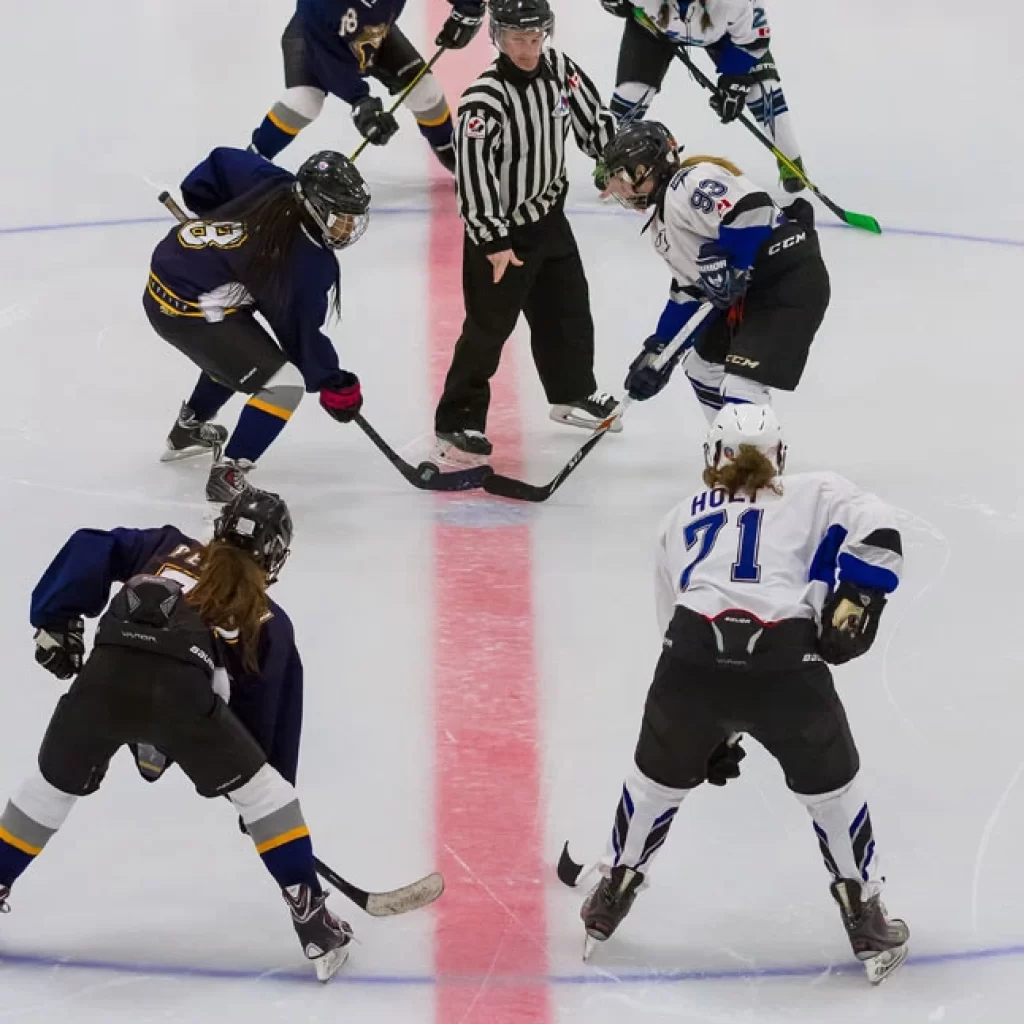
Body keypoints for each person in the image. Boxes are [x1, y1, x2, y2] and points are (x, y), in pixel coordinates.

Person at [578, 405, 909, 985]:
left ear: (712, 457)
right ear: (779, 455)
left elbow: (674, 627)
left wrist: (714, 728)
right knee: (833, 794)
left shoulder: (678, 516)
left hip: (690, 663)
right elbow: (881, 529)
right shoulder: (816, 491)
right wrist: (862, 594)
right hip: (786, 665)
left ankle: (614, 890)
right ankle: (865, 916)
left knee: (654, 785)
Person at [0, 492, 352, 982]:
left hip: (102, 680)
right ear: (275, 554)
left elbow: (91, 546)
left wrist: (55, 621)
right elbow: (266, 720)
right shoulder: (268, 619)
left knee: (47, 790)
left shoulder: (166, 545)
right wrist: (253, 801)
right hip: (183, 701)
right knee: (268, 796)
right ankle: (313, 921)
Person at [430, 0, 620, 470]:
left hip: (549, 217)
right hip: (502, 234)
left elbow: (592, 121)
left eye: (535, 37)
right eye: (517, 38)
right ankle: (458, 419)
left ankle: (571, 394)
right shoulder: (483, 101)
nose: (528, 48)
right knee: (488, 328)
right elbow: (473, 179)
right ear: (496, 37)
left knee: (568, 309)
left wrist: (613, 164)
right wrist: (494, 241)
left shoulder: (559, 68)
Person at [145, 147, 370, 501]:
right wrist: (332, 383)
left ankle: (189, 429)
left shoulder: (276, 183)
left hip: (175, 273)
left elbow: (220, 162)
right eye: (340, 216)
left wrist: (212, 213)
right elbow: (300, 338)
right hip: (190, 307)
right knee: (284, 384)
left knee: (245, 353)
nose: (347, 227)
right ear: (316, 205)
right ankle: (229, 472)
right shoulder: (307, 262)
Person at [598, 120, 829, 419]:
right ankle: (729, 450)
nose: (620, 185)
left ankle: (755, 461)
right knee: (702, 367)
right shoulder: (661, 229)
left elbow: (752, 208)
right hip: (753, 292)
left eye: (625, 173)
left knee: (741, 386)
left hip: (786, 282)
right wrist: (657, 353)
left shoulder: (690, 181)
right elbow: (689, 294)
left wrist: (734, 264)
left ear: (651, 167)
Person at [248, 0, 486, 172]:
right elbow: (329, 64)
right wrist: (359, 101)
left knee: (425, 91)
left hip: (375, 31)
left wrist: (468, 7)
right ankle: (251, 160)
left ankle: (450, 151)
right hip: (315, 41)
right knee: (304, 100)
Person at [601, 0, 805, 191]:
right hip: (653, 27)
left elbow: (753, 41)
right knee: (633, 92)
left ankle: (791, 159)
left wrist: (735, 79)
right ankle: (609, 157)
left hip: (727, 34)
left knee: (761, 90)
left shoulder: (734, 4)